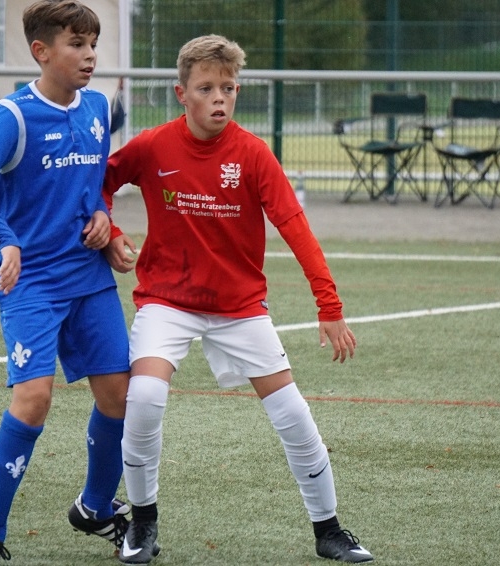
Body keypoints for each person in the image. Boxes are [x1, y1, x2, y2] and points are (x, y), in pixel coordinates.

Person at [102, 34, 374, 564]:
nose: (218, 98)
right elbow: (100, 183)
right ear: (182, 93)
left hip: (240, 309)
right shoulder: (153, 146)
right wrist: (108, 229)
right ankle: (143, 524)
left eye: (227, 88)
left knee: (293, 415)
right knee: (146, 398)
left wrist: (330, 306)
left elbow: (295, 226)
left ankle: (329, 530)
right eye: (206, 88)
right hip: (167, 302)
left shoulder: (252, 153)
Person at [0, 2, 130, 565]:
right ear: (41, 51)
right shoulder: (13, 115)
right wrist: (6, 239)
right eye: (77, 44)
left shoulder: (98, 106)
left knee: (120, 395)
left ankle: (95, 508)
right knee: (33, 399)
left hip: (89, 277)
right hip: (31, 282)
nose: (90, 55)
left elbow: (95, 184)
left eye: (93, 43)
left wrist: (104, 218)